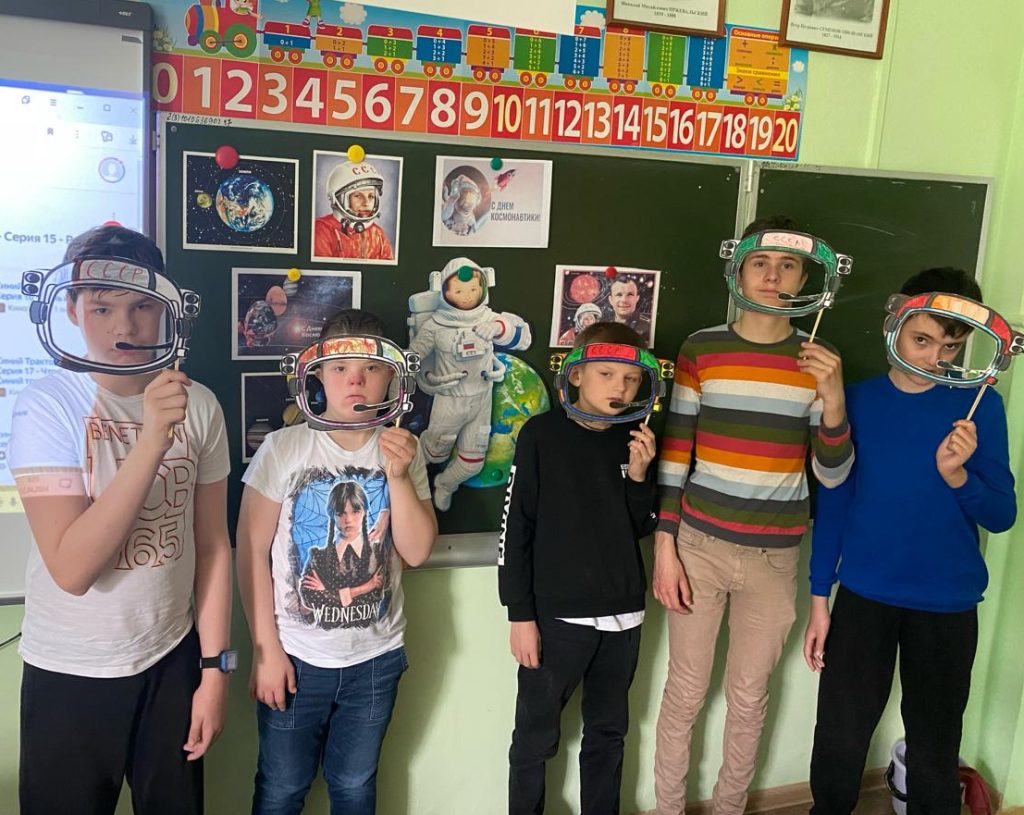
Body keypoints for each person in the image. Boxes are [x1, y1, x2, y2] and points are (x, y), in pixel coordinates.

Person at [8, 224, 232, 815]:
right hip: (71, 669)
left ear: (166, 311)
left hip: (172, 657)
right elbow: (73, 568)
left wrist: (215, 669)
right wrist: (151, 439)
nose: (124, 328)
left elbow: (213, 545)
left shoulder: (200, 405)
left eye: (141, 307)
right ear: (73, 309)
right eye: (103, 308)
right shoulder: (46, 404)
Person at [651, 216, 855, 815]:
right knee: (685, 693)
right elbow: (675, 454)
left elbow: (833, 474)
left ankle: (729, 808)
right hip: (699, 548)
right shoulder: (702, 349)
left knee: (748, 697)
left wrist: (834, 397)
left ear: (805, 278)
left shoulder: (817, 360)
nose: (772, 276)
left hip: (774, 557)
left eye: (788, 265)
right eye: (760, 263)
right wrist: (665, 547)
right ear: (738, 271)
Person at [804, 268, 1017, 815]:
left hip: (946, 602)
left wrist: (958, 476)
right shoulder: (855, 401)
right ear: (893, 324)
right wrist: (819, 597)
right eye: (922, 339)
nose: (933, 358)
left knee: (934, 745)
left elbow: (1002, 515)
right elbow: (833, 502)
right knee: (841, 734)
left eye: (951, 347)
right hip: (864, 596)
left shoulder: (979, 405)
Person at [236, 308, 436, 815]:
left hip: (376, 656)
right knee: (282, 788)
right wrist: (265, 650)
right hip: (296, 654)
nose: (355, 379)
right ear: (318, 374)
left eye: (370, 368)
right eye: (341, 367)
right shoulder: (284, 449)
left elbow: (416, 551)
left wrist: (397, 475)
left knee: (354, 784)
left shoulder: (404, 450)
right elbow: (250, 552)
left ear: (391, 376)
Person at [499, 321, 659, 815]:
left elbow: (638, 526)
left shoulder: (636, 438)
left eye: (630, 379)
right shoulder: (541, 435)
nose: (620, 388)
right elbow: (515, 528)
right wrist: (520, 615)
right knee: (534, 738)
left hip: (623, 615)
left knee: (608, 734)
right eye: (606, 374)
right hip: (558, 616)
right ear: (575, 375)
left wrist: (639, 478)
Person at [408, 257, 531, 511]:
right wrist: (416, 376)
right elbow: (413, 358)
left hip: (482, 400)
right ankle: (409, 487)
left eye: (473, 289)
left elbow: (523, 339)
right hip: (450, 400)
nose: (467, 296)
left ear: (482, 289)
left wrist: (498, 328)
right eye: (459, 291)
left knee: (473, 462)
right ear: (445, 292)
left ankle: (446, 484)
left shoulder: (489, 319)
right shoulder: (435, 326)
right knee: (434, 453)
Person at [300, 480, 389, 624]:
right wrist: (367, 587)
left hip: (373, 634)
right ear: (332, 516)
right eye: (341, 513)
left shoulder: (376, 553)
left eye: (355, 511)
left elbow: (375, 595)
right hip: (323, 633)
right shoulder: (317, 557)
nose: (348, 520)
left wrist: (326, 591)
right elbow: (310, 597)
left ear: (365, 512)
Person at [313, 159, 395, 260]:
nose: (366, 203)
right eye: (358, 196)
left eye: (371, 196)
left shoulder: (378, 235)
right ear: (338, 199)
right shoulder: (322, 230)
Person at [607, 275, 652, 344]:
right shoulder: (603, 327)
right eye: (619, 295)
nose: (624, 300)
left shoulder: (649, 327)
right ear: (611, 300)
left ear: (637, 299)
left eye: (630, 295)